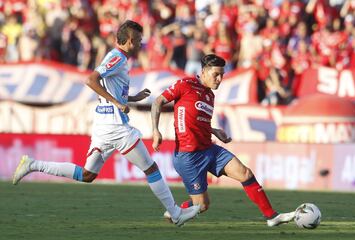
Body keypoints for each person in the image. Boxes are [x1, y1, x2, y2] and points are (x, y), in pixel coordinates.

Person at [12, 20, 200, 227]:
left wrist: (132, 98)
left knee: (87, 174)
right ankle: (175, 213)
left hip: (104, 125)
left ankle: (32, 164)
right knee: (151, 169)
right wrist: (118, 103)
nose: (140, 44)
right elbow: (91, 80)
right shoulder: (117, 57)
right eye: (138, 40)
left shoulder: (117, 58)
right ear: (128, 41)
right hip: (115, 127)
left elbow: (109, 87)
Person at [151, 54, 295, 227]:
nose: (219, 79)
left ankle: (272, 217)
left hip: (209, 149)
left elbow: (196, 120)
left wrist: (214, 130)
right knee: (202, 206)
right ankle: (176, 210)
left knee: (245, 173)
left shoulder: (210, 96)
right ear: (204, 72)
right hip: (189, 157)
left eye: (222, 75)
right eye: (216, 75)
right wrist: (155, 130)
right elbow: (158, 102)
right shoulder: (185, 85)